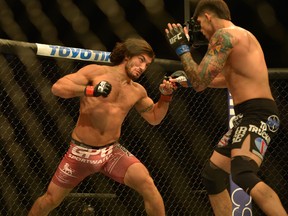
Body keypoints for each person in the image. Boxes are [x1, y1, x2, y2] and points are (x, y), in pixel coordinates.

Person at [165, 0, 287, 215]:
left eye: (200, 23)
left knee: (243, 173)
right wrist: (189, 80)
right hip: (249, 114)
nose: (201, 31)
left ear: (208, 16)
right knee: (212, 176)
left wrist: (182, 48)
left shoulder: (224, 36)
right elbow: (221, 79)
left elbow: (201, 81)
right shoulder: (240, 36)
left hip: (257, 113)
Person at [28, 38, 176, 216]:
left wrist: (165, 97)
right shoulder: (96, 72)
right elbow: (58, 88)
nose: (143, 68)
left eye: (147, 65)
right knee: (51, 200)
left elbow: (154, 118)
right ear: (127, 56)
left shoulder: (137, 90)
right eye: (141, 60)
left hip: (110, 152)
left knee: (147, 184)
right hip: (81, 153)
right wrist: (91, 90)